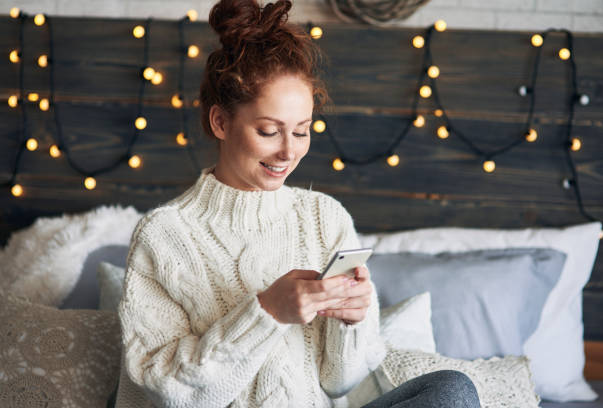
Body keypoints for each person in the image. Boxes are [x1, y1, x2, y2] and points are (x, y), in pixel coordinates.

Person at [113, 0, 481, 407]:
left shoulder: (325, 218)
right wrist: (267, 312)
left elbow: (339, 383)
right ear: (220, 122)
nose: (288, 152)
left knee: (451, 389)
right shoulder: (164, 236)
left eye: (302, 131)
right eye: (269, 131)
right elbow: (169, 392)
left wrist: (352, 323)